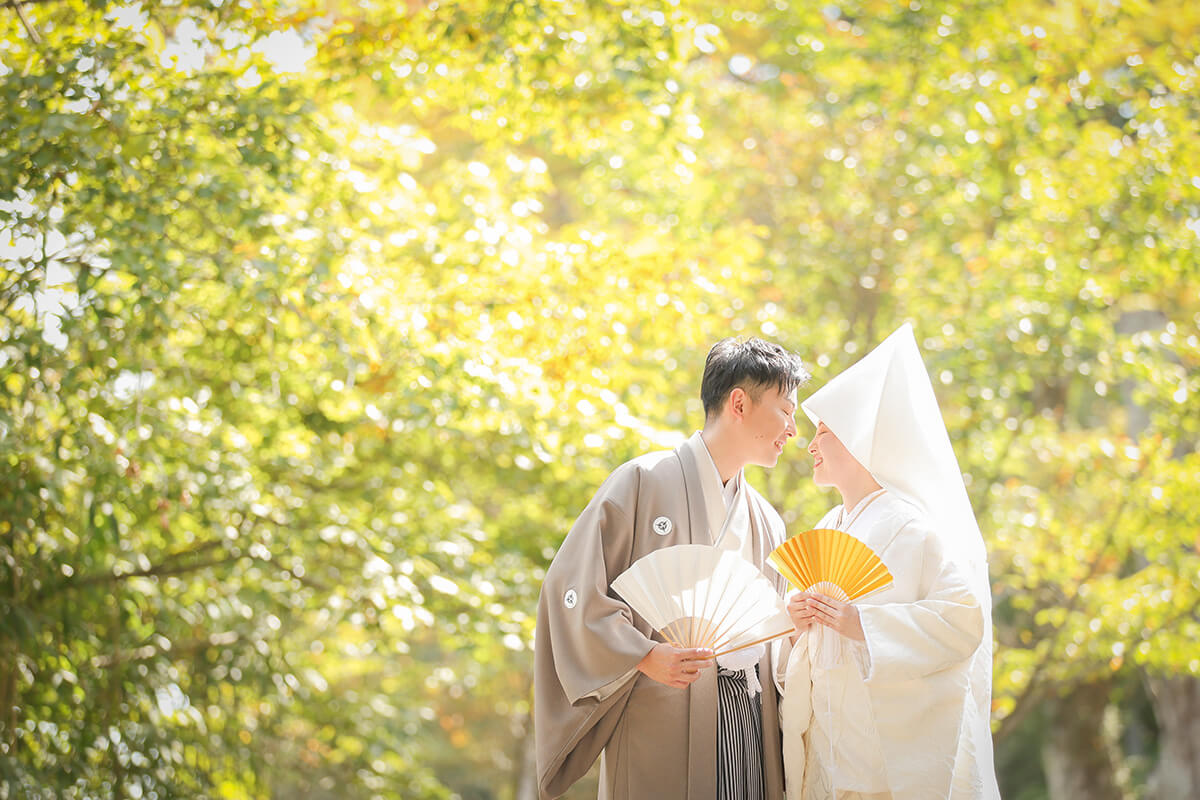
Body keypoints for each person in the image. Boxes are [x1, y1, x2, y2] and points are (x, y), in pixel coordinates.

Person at [534, 337, 810, 800]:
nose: (793, 429)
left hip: (749, 719)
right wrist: (642, 654)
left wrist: (793, 623)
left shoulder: (766, 520)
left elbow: (770, 638)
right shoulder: (641, 482)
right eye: (786, 411)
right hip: (658, 712)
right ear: (739, 403)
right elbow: (572, 592)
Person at [777, 323, 1000, 800]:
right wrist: (796, 621)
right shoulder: (829, 526)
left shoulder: (911, 528)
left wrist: (866, 625)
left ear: (861, 442)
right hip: (829, 750)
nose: (811, 446)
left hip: (884, 760)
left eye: (823, 433)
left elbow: (962, 621)